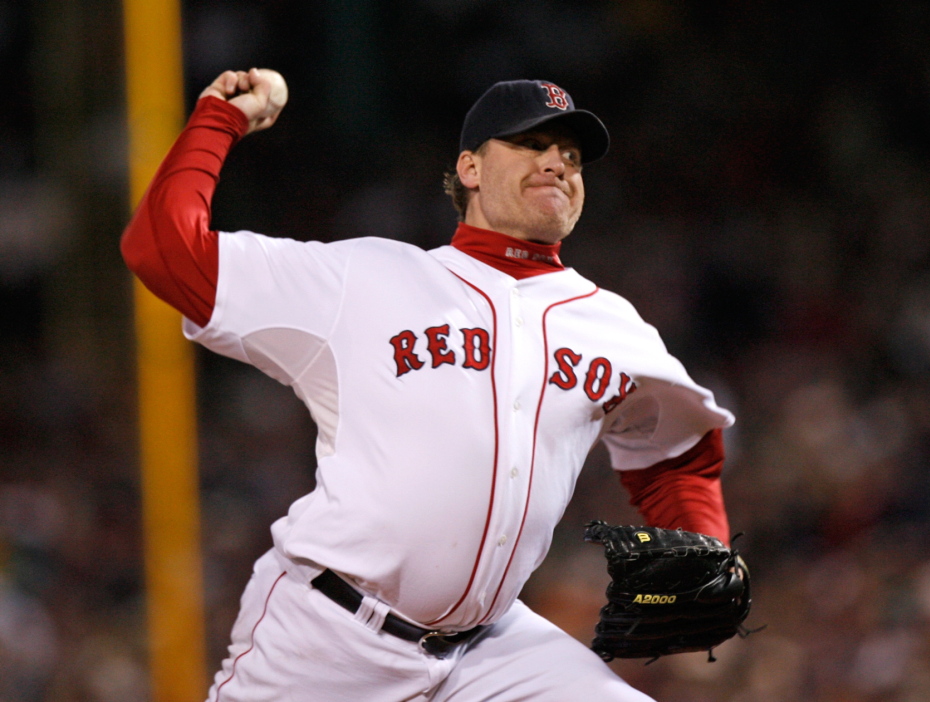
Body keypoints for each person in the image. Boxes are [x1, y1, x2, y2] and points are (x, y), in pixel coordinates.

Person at [121, 68, 736, 702]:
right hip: (330, 638)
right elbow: (163, 248)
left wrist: (701, 549)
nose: (558, 163)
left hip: (491, 649)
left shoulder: (613, 326)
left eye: (572, 155)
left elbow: (677, 454)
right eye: (531, 144)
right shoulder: (365, 279)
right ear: (469, 168)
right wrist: (219, 121)